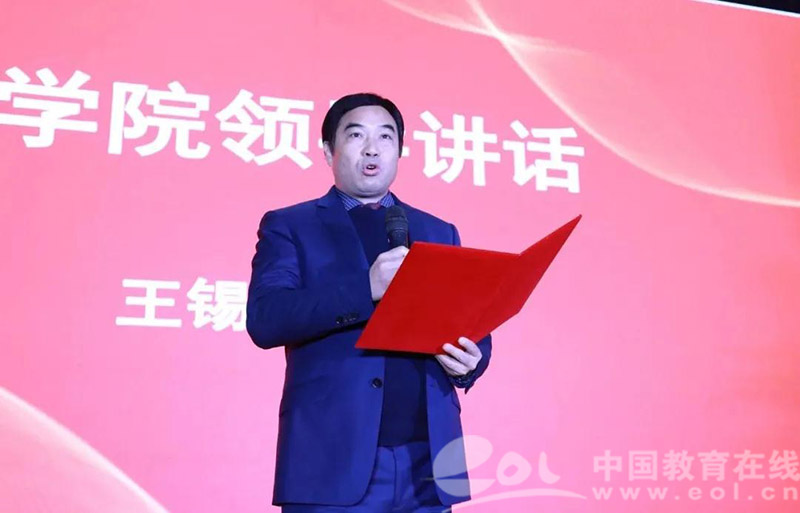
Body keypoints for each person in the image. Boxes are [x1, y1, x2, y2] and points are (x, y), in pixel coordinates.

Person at [246, 92, 492, 513]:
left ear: (400, 151)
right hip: (332, 462)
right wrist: (366, 289)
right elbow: (267, 319)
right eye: (357, 135)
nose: (372, 148)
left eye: (386, 137)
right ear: (329, 151)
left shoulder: (438, 231)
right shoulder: (291, 225)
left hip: (428, 465)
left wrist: (473, 360)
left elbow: (469, 322)